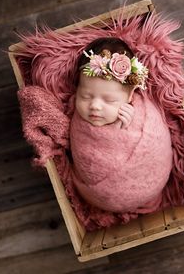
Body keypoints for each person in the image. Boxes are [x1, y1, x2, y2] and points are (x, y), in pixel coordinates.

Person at [69, 37, 173, 213]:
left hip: (145, 180)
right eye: (85, 96)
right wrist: (113, 133)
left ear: (130, 96)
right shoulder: (78, 118)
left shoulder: (140, 111)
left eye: (109, 100)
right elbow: (82, 149)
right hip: (101, 195)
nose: (95, 106)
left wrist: (128, 126)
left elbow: (154, 139)